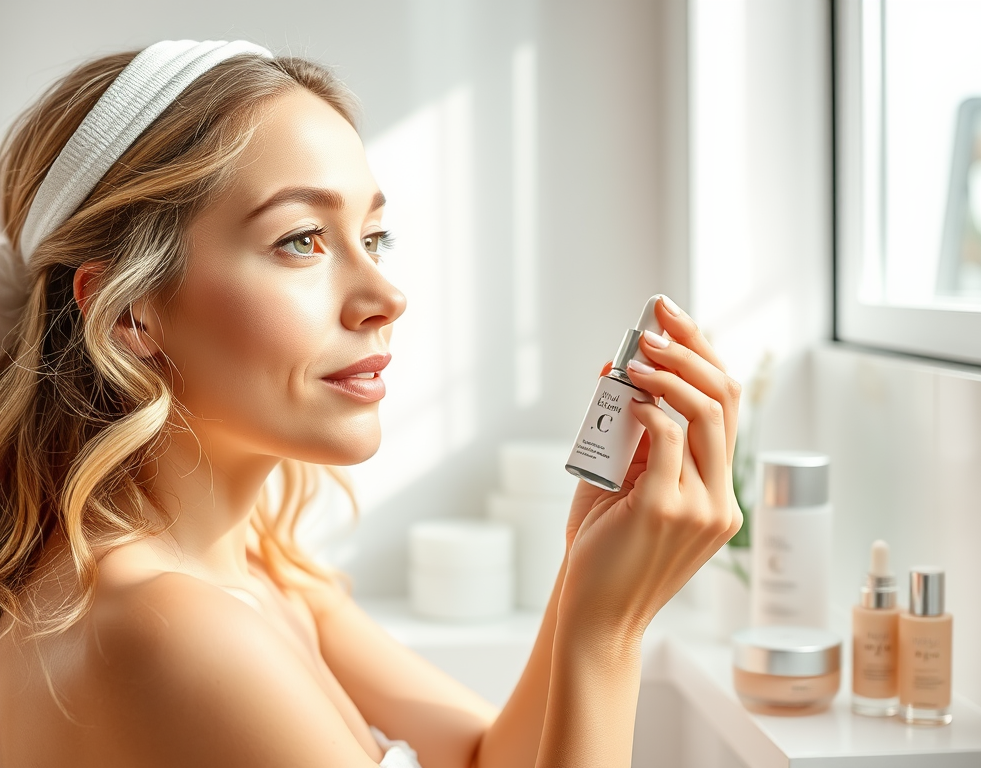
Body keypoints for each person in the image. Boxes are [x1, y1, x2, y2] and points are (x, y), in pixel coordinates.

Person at [0, 40, 742, 768]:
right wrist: (607, 631)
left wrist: (587, 567)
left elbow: (487, 758)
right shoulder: (170, 626)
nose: (386, 298)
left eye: (374, 236)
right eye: (301, 240)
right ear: (131, 313)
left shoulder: (262, 572)